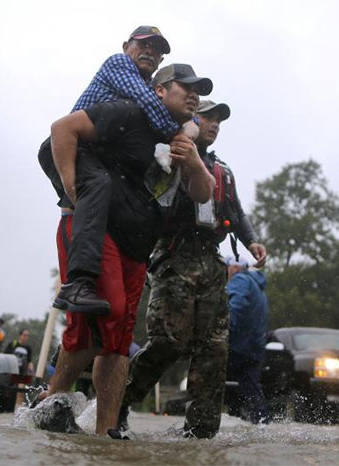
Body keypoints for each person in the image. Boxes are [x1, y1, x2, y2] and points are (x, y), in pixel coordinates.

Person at [38, 64, 215, 436]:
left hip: (138, 245)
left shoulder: (185, 140)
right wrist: (72, 189)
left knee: (117, 343)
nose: (195, 95)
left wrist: (194, 159)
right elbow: (62, 130)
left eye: (199, 90)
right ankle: (52, 401)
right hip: (97, 231)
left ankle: (105, 432)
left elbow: (202, 193)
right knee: (107, 315)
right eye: (187, 87)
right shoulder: (127, 112)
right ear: (160, 91)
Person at [119, 100, 268, 439]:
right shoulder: (170, 155)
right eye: (208, 117)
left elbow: (236, 211)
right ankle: (118, 402)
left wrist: (252, 241)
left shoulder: (224, 170)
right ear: (191, 119)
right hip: (173, 255)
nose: (214, 124)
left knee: (214, 347)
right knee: (169, 340)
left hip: (211, 261)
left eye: (219, 120)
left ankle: (200, 430)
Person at [40, 26, 200, 315]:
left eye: (159, 49)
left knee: (107, 188)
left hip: (96, 156)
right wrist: (71, 189)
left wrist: (193, 125)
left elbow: (182, 114)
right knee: (98, 184)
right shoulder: (119, 63)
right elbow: (155, 107)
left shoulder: (149, 85)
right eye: (145, 44)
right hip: (68, 146)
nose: (152, 52)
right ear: (127, 45)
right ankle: (77, 285)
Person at [224, 256, 270, 424]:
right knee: (250, 390)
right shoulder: (258, 286)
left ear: (233, 268)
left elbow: (236, 308)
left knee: (209, 382)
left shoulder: (240, 280)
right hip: (254, 348)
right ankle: (262, 426)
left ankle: (201, 429)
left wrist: (224, 332)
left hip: (237, 346)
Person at [3, 329, 34, 407]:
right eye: (24, 335)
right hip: (11, 371)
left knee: (21, 391)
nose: (26, 337)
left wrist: (31, 371)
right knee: (9, 390)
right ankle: (8, 405)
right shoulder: (13, 344)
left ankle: (18, 407)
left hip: (22, 372)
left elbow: (29, 361)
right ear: (20, 335)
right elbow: (5, 356)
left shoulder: (28, 348)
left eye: (27, 336)